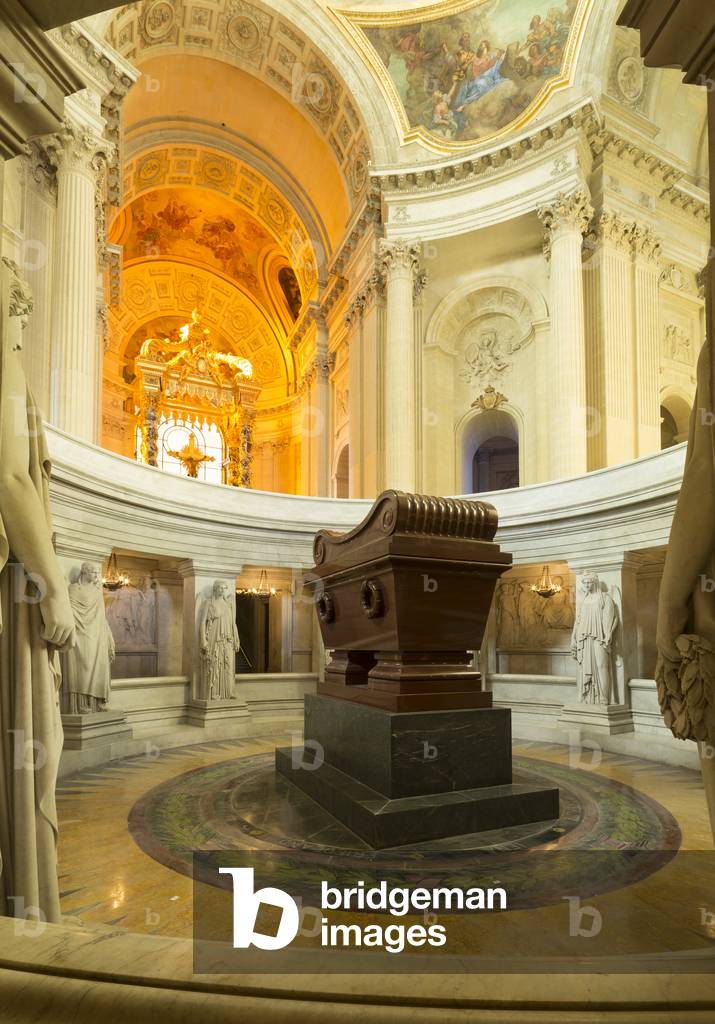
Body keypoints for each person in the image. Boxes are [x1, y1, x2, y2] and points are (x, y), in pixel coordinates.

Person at [0, 258, 75, 924]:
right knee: (31, 750)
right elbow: (13, 480)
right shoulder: (7, 363)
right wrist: (54, 585)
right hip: (16, 591)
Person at [62, 563, 116, 714]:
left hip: (98, 633)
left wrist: (108, 635)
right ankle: (81, 704)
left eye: (97, 572)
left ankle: (98, 703)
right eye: (93, 572)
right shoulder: (73, 589)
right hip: (81, 632)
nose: (96, 575)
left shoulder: (97, 591)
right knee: (83, 667)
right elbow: (69, 609)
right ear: (85, 572)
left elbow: (102, 616)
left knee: (100, 666)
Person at [571, 573, 618, 704]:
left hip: (599, 637)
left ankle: (604, 696)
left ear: (595, 582)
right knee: (583, 667)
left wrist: (607, 635)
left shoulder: (605, 598)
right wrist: (573, 639)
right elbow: (578, 621)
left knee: (601, 665)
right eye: (584, 582)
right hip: (583, 637)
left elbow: (610, 618)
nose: (586, 585)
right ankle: (587, 695)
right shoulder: (583, 599)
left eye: (589, 582)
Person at [199, 580, 240, 700]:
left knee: (228, 665)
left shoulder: (228, 603)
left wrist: (237, 639)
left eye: (224, 588)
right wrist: (203, 641)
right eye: (220, 588)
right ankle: (214, 693)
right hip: (214, 637)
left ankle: (228, 692)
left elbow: (233, 623)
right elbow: (202, 623)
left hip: (227, 638)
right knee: (215, 663)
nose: (222, 591)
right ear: (215, 589)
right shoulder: (209, 603)